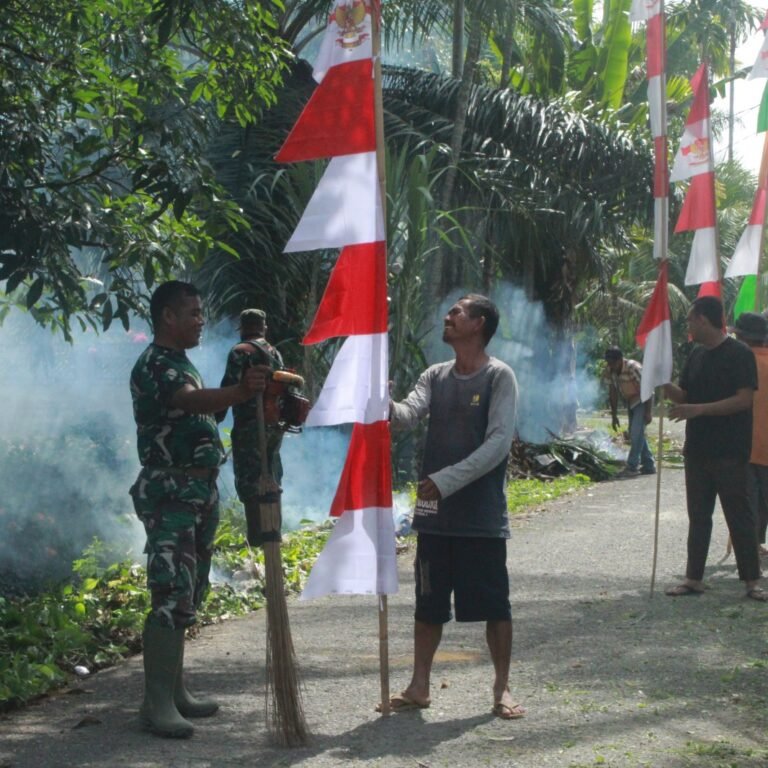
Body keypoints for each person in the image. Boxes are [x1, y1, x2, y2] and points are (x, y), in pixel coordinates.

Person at [129, 281, 268, 738]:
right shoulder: (156, 365)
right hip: (171, 495)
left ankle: (175, 691)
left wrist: (243, 394)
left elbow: (208, 414)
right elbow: (190, 402)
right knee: (170, 592)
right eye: (191, 313)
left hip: (197, 493)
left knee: (187, 594)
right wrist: (238, 393)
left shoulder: (181, 362)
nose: (200, 320)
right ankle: (157, 705)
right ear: (167, 317)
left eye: (200, 312)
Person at [386, 294, 524, 720]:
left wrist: (444, 481)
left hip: (480, 517)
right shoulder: (436, 375)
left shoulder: (499, 377)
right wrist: (381, 401)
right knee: (428, 604)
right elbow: (405, 415)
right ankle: (419, 685)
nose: (448, 317)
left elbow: (498, 445)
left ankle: (502, 689)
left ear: (479, 323)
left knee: (495, 606)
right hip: (433, 517)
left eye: (457, 312)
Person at [663, 296, 766, 601]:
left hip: (730, 450)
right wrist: (663, 384)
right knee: (698, 515)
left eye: (691, 320)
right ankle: (693, 577)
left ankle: (751, 582)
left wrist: (699, 410)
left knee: (740, 515)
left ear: (705, 320)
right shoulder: (695, 356)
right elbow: (685, 396)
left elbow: (744, 400)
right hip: (697, 451)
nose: (689, 326)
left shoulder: (740, 354)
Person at [218, 308, 286, 548]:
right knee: (271, 477)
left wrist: (214, 416)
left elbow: (228, 387)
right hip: (273, 428)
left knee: (250, 481)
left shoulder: (240, 352)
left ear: (243, 328)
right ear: (263, 327)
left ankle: (257, 538)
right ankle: (273, 534)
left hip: (250, 429)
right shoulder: (275, 353)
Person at [732, 312, 768, 557]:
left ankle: (751, 547)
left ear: (742, 337)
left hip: (742, 446)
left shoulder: (737, 364)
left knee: (747, 503)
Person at [604, 347, 655, 476]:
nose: (611, 366)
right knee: (637, 434)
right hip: (631, 402)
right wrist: (614, 416)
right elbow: (613, 392)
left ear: (620, 360)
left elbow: (648, 388)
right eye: (609, 363)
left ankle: (632, 466)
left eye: (613, 363)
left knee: (635, 433)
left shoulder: (633, 367)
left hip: (643, 400)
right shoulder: (610, 370)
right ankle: (649, 465)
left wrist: (648, 412)